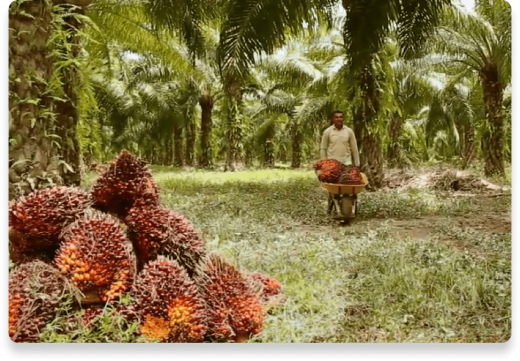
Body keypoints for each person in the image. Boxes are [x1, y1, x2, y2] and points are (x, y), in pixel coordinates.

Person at [320, 110, 361, 218]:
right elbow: (323, 148)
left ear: (343, 119)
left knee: (348, 186)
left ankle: (350, 208)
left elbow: (354, 149)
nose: (339, 119)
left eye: (341, 117)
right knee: (333, 189)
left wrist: (356, 164)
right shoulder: (328, 132)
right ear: (333, 119)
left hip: (346, 163)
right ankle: (331, 207)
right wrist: (324, 163)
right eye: (336, 117)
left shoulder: (349, 131)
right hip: (332, 164)